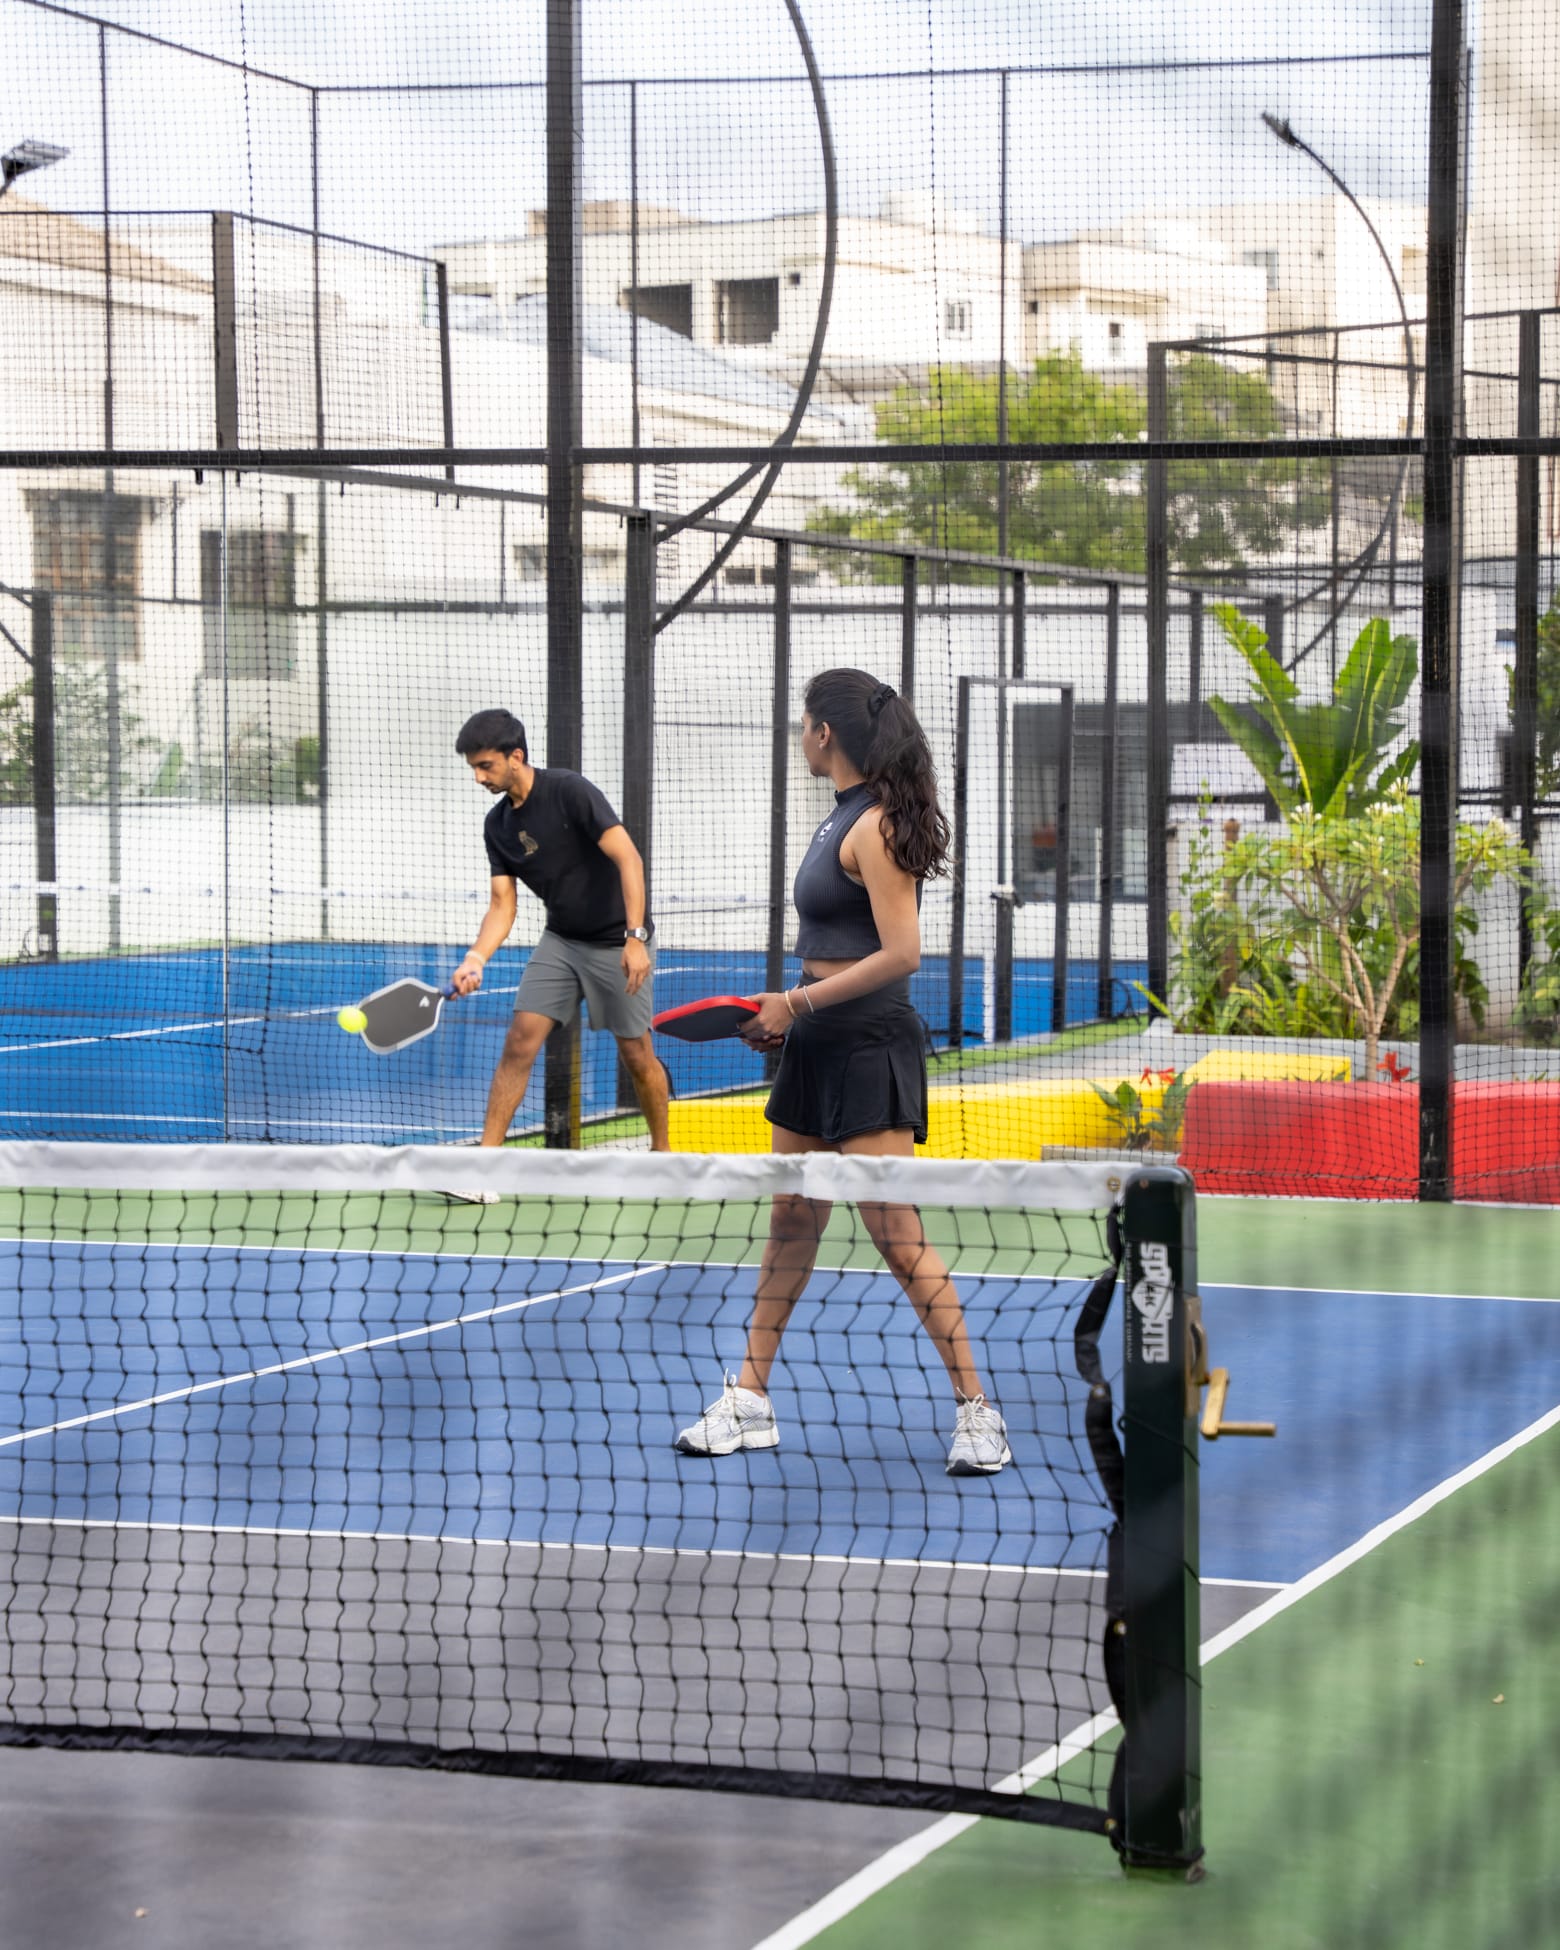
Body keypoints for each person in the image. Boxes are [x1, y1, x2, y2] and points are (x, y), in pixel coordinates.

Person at [675, 669, 1009, 1476]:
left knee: (895, 1233)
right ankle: (750, 1400)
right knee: (791, 1222)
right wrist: (787, 1015)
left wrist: (797, 1003)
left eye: (803, 724)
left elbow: (903, 953)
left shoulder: (877, 823)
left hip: (867, 1045)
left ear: (823, 733)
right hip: (815, 1042)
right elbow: (832, 948)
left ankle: (978, 1413)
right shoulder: (840, 817)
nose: (800, 736)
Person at [451, 708, 669, 1151]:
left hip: (617, 941)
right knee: (518, 1043)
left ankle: (663, 1153)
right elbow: (502, 905)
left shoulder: (570, 791)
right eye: (473, 767)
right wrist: (475, 958)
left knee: (636, 1053)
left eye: (485, 766)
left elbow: (628, 858)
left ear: (516, 756)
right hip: (562, 943)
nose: (478, 778)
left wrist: (635, 937)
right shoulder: (497, 826)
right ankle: (483, 1163)